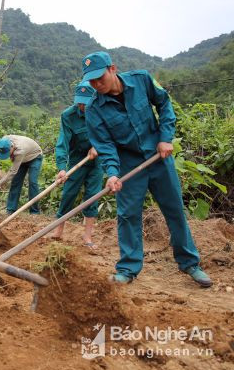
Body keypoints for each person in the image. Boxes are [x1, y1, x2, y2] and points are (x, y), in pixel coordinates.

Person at [82, 51, 211, 287]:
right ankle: (128, 268)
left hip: (158, 157)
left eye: (99, 78)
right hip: (129, 164)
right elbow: (105, 145)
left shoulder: (141, 79)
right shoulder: (93, 109)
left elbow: (164, 104)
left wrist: (165, 137)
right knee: (128, 215)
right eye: (91, 80)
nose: (96, 84)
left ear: (113, 69)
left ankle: (190, 263)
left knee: (174, 210)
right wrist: (112, 173)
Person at [52, 81, 103, 247]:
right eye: (79, 101)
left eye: (85, 102)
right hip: (77, 159)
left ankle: (87, 237)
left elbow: (110, 134)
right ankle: (58, 231)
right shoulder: (68, 115)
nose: (82, 105)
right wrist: (61, 168)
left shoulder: (102, 111)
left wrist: (98, 146)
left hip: (96, 161)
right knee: (68, 193)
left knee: (92, 196)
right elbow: (63, 143)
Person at [0, 135, 43, 215]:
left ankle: (34, 212)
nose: (7, 156)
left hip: (35, 156)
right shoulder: (1, 144)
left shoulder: (20, 150)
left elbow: (12, 172)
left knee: (32, 182)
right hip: (21, 159)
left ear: (12, 147)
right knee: (15, 182)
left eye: (7, 153)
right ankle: (10, 210)